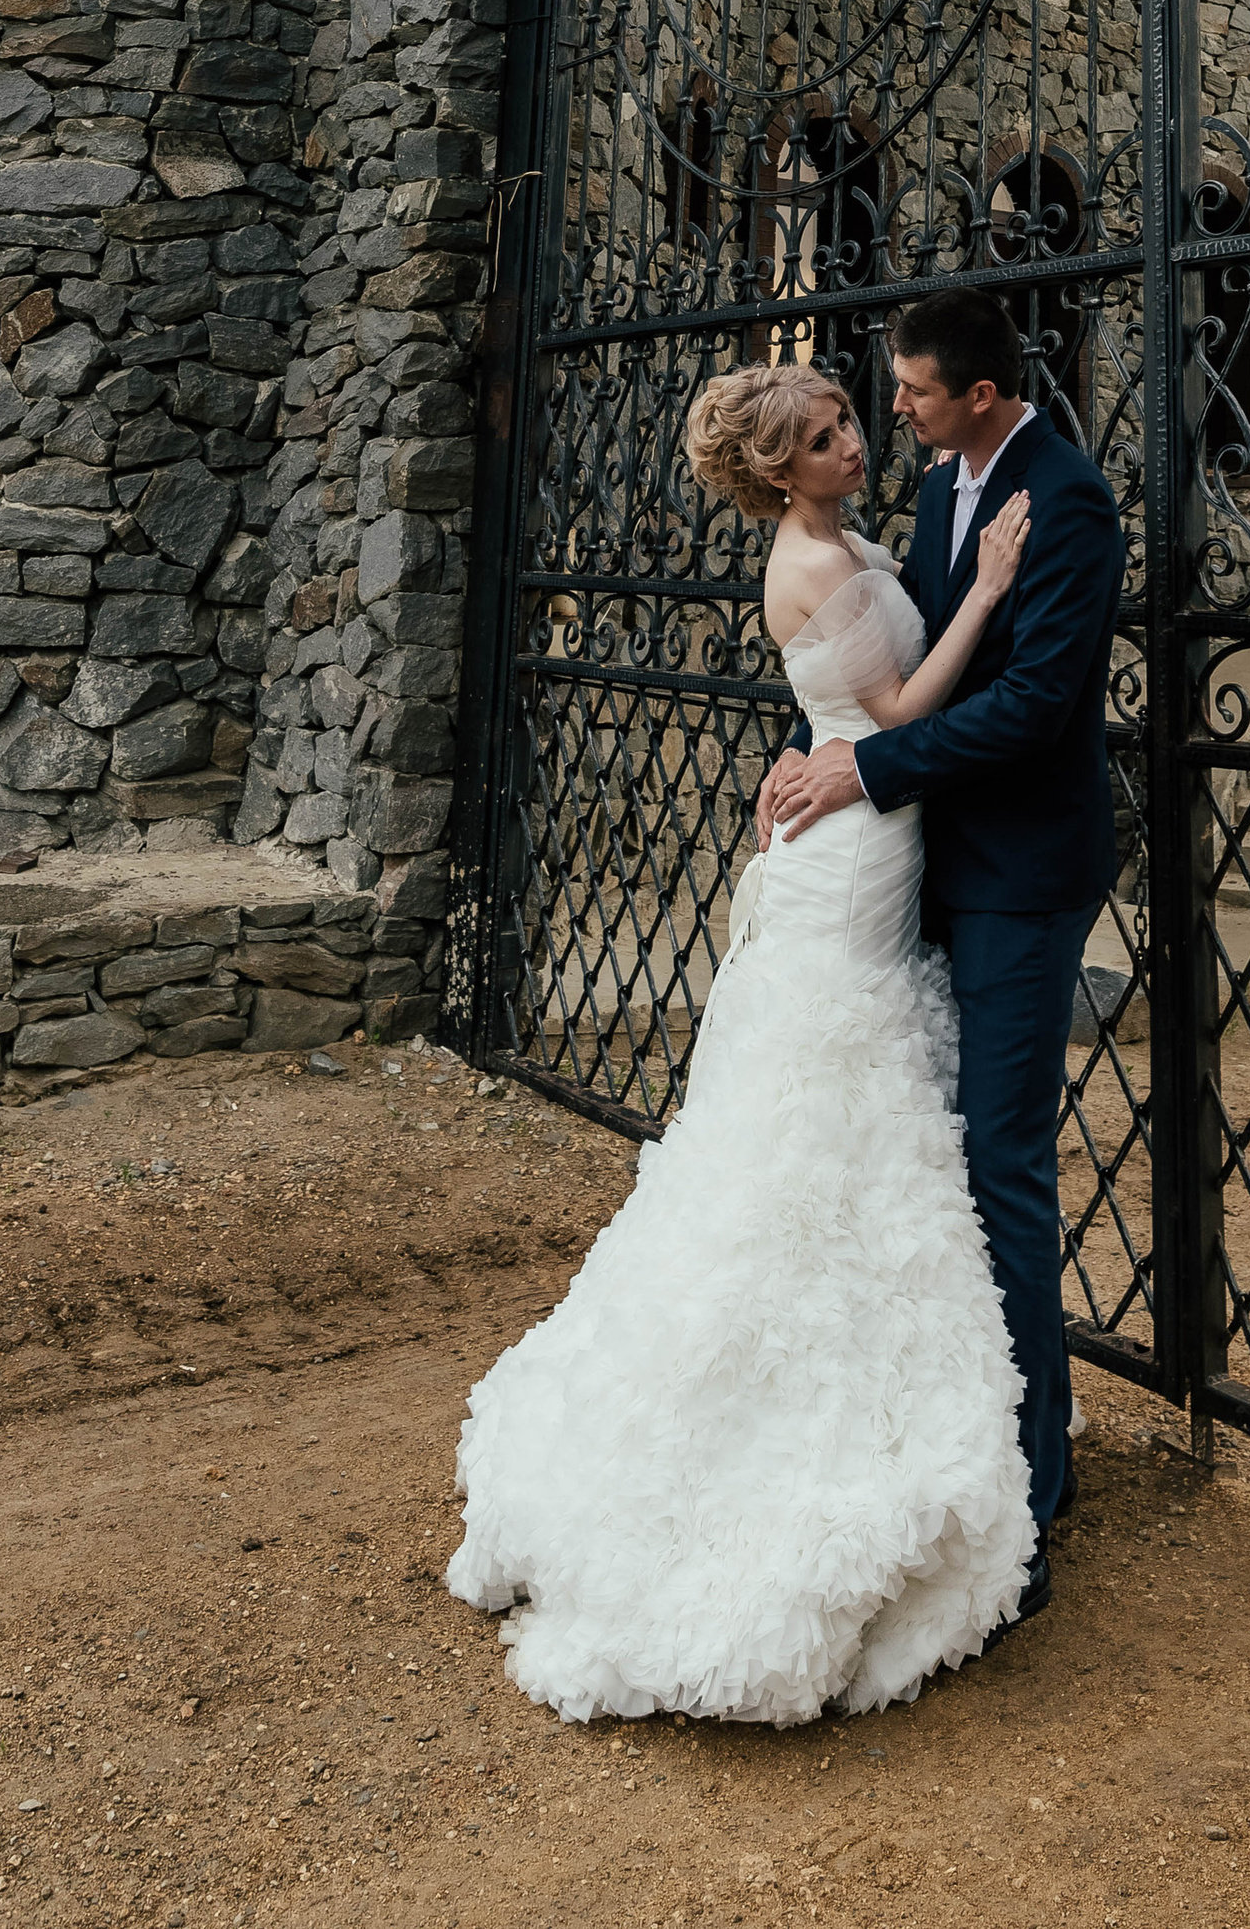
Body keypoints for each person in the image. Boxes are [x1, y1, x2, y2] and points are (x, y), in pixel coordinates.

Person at [447, 359, 1039, 1724]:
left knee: (843, 1099)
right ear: (781, 472)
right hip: (856, 853)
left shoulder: (838, 542)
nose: (851, 441)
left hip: (861, 829)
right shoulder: (804, 565)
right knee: (813, 1102)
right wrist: (994, 589)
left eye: (846, 418)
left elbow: (845, 712)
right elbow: (897, 717)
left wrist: (809, 743)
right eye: (826, 436)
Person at [756, 288, 1125, 1592]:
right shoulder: (935, 491)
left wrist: (862, 773)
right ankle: (959, 1426)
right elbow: (886, 674)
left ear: (976, 392)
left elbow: (1029, 708)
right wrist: (811, 755)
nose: (894, 408)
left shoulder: (1066, 499)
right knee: (931, 1159)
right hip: (921, 866)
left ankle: (1037, 1471)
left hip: (1021, 868)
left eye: (910, 391)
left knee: (1002, 1160)